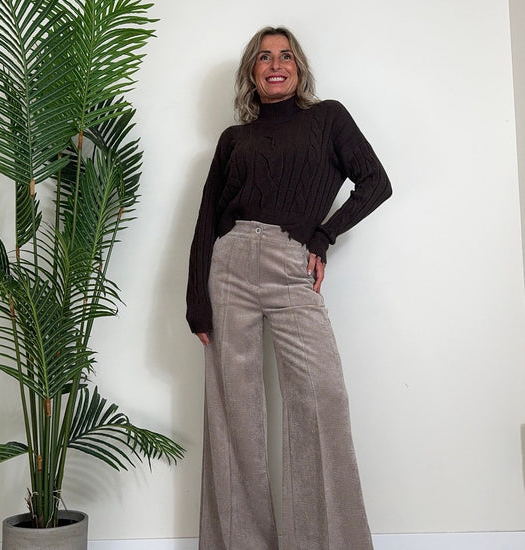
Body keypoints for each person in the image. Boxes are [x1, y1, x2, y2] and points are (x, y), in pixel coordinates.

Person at [186, 25, 391, 550]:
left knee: (321, 396)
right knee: (235, 412)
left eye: (285, 56)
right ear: (251, 73)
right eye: (263, 57)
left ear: (298, 68)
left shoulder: (328, 118)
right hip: (229, 265)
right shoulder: (234, 139)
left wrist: (324, 236)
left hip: (290, 261)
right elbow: (207, 217)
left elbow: (376, 182)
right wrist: (196, 300)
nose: (275, 64)